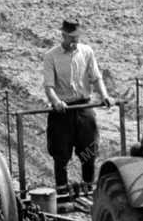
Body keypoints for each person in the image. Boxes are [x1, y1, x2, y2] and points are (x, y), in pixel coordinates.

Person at [42, 17, 112, 195]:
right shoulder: (51, 56)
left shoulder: (87, 52)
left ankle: (88, 187)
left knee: (89, 150)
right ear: (63, 35)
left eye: (77, 38)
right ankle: (62, 191)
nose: (75, 42)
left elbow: (96, 77)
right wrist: (56, 101)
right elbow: (49, 86)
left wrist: (104, 96)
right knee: (61, 153)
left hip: (83, 106)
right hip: (62, 110)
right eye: (71, 38)